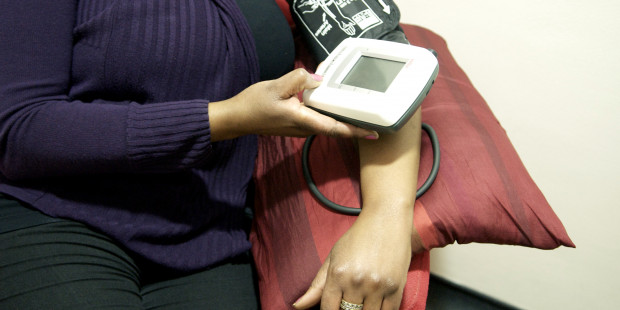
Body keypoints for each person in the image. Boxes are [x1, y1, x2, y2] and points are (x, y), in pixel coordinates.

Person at [0, 0, 423, 309]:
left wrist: (386, 219)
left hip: (208, 237)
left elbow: (388, 53)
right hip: (56, 213)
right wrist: (226, 118)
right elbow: (18, 129)